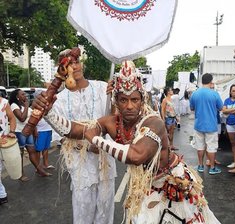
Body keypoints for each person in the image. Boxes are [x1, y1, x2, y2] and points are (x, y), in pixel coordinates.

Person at [33, 60, 221, 224]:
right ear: (116, 100)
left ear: (142, 99)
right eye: (123, 100)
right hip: (144, 186)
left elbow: (136, 155)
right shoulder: (112, 122)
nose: (129, 106)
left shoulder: (152, 121)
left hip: (170, 181)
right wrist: (49, 113)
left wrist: (96, 139)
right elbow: (76, 130)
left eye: (134, 99)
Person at [42, 48, 116, 224]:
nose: (74, 67)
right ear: (61, 70)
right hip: (80, 167)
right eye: (68, 64)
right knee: (83, 212)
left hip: (105, 161)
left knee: (105, 212)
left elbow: (114, 118)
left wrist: (115, 98)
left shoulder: (102, 87)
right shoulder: (58, 100)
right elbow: (61, 136)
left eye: (76, 62)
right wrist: (87, 146)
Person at [9, 89, 50, 179]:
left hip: (29, 132)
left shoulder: (23, 105)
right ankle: (21, 174)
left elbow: (30, 119)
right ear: (17, 97)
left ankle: (39, 170)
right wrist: (27, 106)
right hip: (19, 132)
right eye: (22, 94)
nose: (25, 95)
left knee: (32, 151)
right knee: (20, 154)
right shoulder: (14, 105)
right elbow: (22, 118)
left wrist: (35, 130)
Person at [190, 73, 223, 175]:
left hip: (198, 125)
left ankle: (200, 166)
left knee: (200, 146)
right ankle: (212, 168)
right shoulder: (214, 94)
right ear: (211, 82)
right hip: (211, 125)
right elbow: (221, 108)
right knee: (211, 147)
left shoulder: (194, 94)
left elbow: (192, 108)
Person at [0, 96, 16, 205]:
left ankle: (2, 195)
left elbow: (12, 118)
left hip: (3, 140)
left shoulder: (4, 103)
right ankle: (2, 195)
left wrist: (12, 131)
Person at [33, 90, 55, 170]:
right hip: (40, 131)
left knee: (46, 148)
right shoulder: (35, 106)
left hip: (48, 129)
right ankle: (38, 167)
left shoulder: (47, 105)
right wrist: (35, 130)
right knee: (38, 149)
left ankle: (46, 164)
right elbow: (33, 120)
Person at [222, 84, 235, 169]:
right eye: (233, 91)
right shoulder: (227, 100)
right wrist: (234, 110)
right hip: (229, 124)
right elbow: (223, 110)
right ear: (230, 92)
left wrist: (228, 111)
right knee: (233, 143)